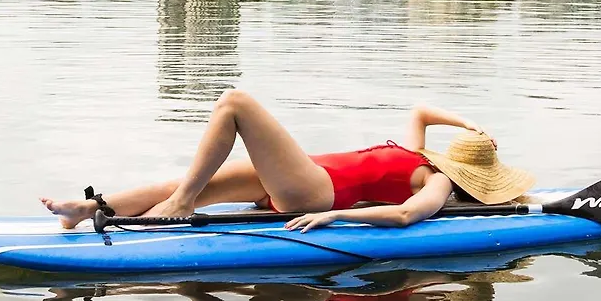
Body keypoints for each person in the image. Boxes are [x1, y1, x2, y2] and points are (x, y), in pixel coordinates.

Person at [40, 89, 534, 232]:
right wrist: (467, 125)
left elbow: (408, 215)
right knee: (194, 178)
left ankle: (181, 204)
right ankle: (87, 209)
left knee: (235, 104)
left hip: (315, 191)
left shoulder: (438, 183)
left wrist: (335, 214)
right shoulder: (419, 151)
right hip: (295, 175)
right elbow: (422, 109)